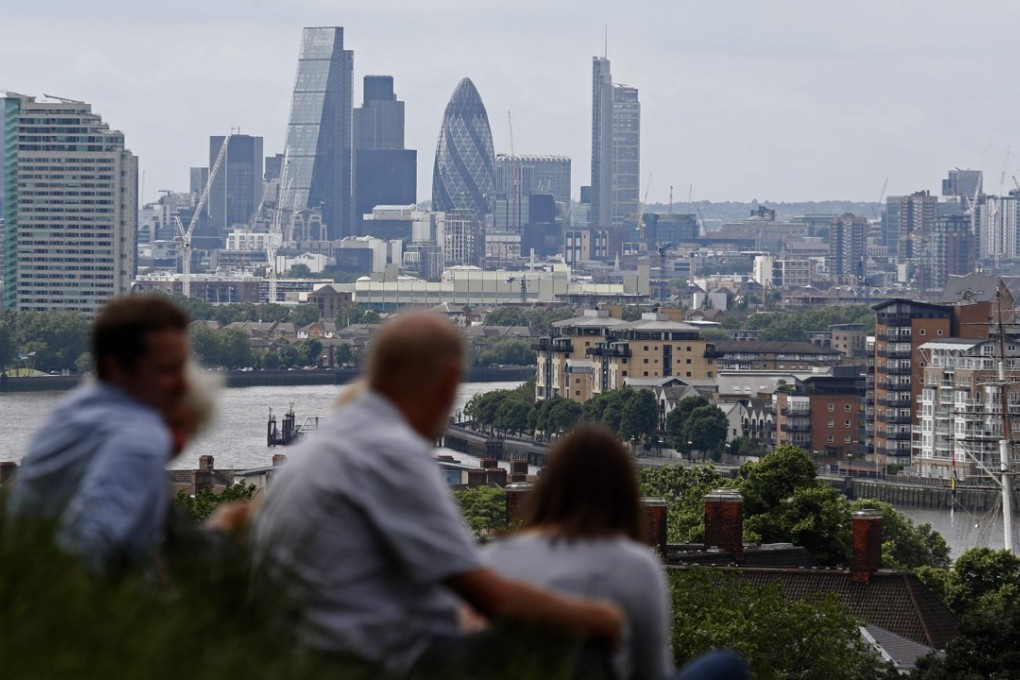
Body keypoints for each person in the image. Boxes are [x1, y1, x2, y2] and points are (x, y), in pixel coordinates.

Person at [251, 311, 622, 676]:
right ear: (448, 381)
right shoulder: (392, 451)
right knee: (577, 653)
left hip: (304, 656)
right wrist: (601, 617)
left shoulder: (324, 445)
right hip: (368, 664)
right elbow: (492, 598)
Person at [482, 425, 748, 680]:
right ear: (624, 492)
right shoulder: (635, 565)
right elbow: (653, 671)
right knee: (726, 665)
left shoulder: (493, 558)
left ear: (550, 486)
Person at [7, 295, 190, 569]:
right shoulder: (139, 437)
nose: (182, 384)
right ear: (116, 368)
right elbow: (85, 551)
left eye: (183, 367)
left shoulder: (73, 409)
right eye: (167, 369)